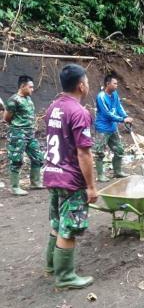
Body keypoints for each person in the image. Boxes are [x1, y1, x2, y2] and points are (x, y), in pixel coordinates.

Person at [43, 64, 98, 289]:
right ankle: (65, 277)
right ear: (81, 85)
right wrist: (91, 187)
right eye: (87, 81)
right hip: (70, 179)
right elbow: (83, 152)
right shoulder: (78, 112)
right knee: (69, 228)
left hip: (52, 173)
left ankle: (51, 266)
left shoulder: (52, 108)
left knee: (57, 223)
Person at [3, 75, 44, 195]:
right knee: (16, 160)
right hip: (18, 134)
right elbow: (6, 118)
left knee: (38, 157)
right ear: (22, 86)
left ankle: (35, 182)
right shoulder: (13, 100)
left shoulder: (28, 99)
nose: (32, 89)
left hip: (30, 134)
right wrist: (18, 126)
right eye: (30, 87)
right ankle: (15, 187)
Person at [93, 74, 133, 182]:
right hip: (102, 128)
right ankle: (100, 175)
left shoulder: (114, 94)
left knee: (119, 149)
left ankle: (117, 171)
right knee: (99, 152)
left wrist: (125, 116)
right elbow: (107, 114)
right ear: (108, 84)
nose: (116, 86)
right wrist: (122, 120)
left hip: (112, 127)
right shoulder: (101, 97)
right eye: (114, 83)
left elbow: (119, 107)